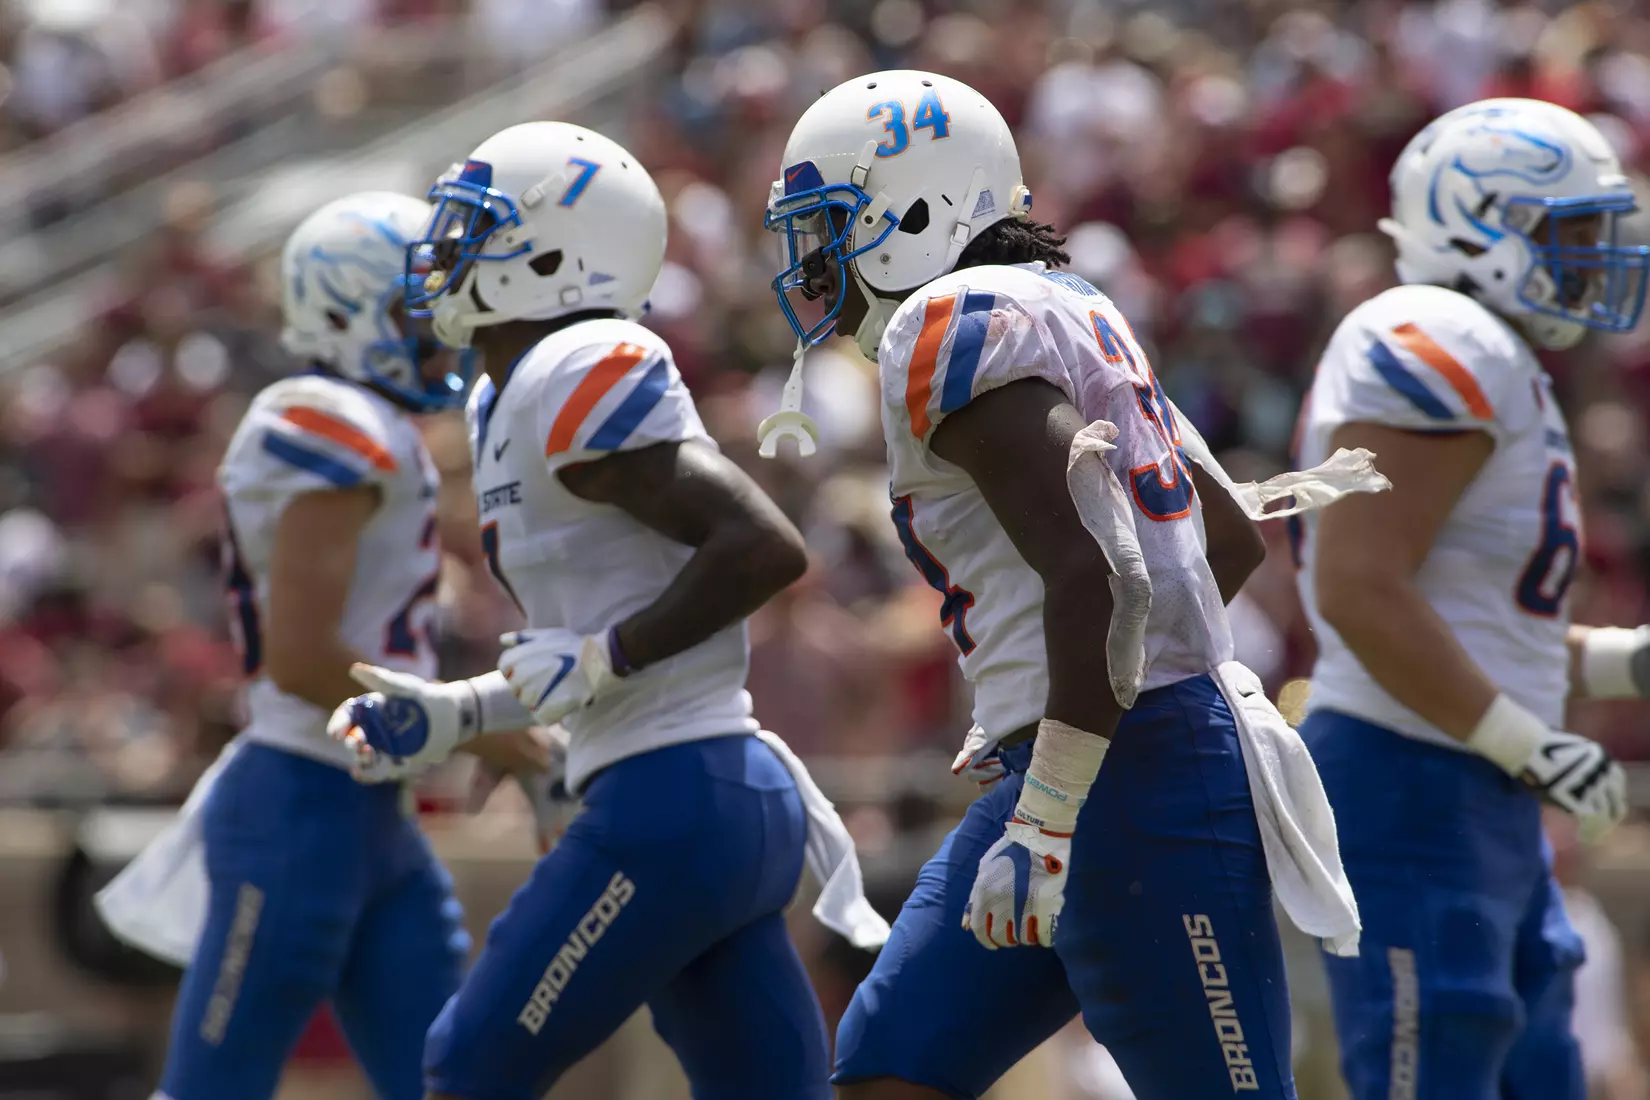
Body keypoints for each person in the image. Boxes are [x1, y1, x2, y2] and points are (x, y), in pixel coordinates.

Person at [764, 69, 1363, 1100]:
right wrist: (1042, 706)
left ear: (908, 210)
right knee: (889, 1068)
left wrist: (1056, 799)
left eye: (827, 226)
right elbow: (1224, 539)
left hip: (1132, 780)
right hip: (1092, 757)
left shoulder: (943, 322)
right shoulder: (1072, 306)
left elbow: (1100, 566)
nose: (814, 261)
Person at [329, 121, 884, 1100]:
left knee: (470, 1064)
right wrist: (456, 711)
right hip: (707, 793)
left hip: (675, 793)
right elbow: (585, 646)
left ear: (551, 251)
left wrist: (604, 660)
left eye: (474, 228)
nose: (443, 251)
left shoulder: (579, 361)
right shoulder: (501, 400)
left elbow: (760, 546)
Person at [119, 192, 549, 1100]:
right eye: (412, 310)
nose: (437, 330)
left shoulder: (386, 428)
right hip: (297, 805)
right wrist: (478, 728)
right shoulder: (326, 421)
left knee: (450, 1080)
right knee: (215, 1086)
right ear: (346, 312)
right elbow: (304, 657)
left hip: (371, 810)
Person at [1293, 96, 1644, 1099]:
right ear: (1479, 221)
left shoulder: (1502, 356)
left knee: (1541, 1072)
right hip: (1411, 774)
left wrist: (1624, 659)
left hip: (1469, 780)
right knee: (1435, 1069)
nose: (1593, 257)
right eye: (1571, 231)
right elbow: (1357, 588)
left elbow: (1498, 626)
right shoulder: (1434, 332)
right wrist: (1529, 743)